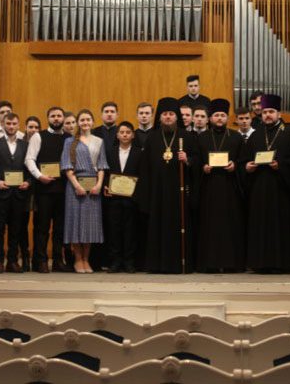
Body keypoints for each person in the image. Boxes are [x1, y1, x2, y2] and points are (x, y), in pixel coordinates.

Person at [133, 98, 198, 273]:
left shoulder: (186, 137)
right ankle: (157, 265)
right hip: (157, 194)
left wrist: (188, 159)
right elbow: (145, 168)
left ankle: (179, 264)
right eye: (165, 114)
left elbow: (197, 160)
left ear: (177, 117)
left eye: (171, 114)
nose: (168, 117)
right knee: (157, 227)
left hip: (179, 194)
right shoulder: (152, 138)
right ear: (160, 117)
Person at [239, 94, 290, 273]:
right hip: (259, 188)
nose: (267, 115)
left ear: (279, 114)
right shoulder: (255, 135)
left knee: (281, 226)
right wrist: (247, 167)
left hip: (282, 188)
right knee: (260, 225)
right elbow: (244, 160)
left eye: (271, 112)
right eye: (265, 112)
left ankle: (283, 264)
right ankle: (260, 263)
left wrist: (281, 165)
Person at [193, 99, 245, 273]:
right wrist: (203, 167)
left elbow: (243, 160)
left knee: (231, 225)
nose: (220, 118)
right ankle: (210, 264)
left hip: (230, 188)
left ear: (227, 118)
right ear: (210, 118)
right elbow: (196, 161)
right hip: (208, 188)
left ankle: (231, 264)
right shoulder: (201, 138)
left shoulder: (236, 137)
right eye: (216, 115)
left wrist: (235, 165)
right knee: (209, 226)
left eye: (223, 115)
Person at [0, 112, 32, 273]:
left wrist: (28, 182)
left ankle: (12, 261)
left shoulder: (25, 145)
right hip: (0, 193)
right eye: (8, 124)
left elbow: (30, 167)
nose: (11, 126)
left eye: (14, 124)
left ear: (18, 125)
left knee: (16, 229)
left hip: (19, 194)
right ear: (3, 125)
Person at [25, 106, 71, 273]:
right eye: (53, 116)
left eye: (59, 116)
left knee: (60, 228)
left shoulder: (69, 138)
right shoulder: (39, 136)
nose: (56, 118)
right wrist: (39, 176)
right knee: (42, 227)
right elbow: (29, 159)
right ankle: (41, 261)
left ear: (63, 118)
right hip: (44, 189)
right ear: (48, 118)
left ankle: (58, 261)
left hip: (64, 190)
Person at [61, 110, 107, 273]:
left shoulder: (99, 141)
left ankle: (86, 259)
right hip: (75, 187)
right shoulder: (69, 142)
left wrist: (99, 184)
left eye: (88, 119)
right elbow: (67, 166)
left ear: (93, 122)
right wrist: (77, 186)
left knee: (90, 224)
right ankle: (78, 259)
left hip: (93, 188)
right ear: (78, 123)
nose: (85, 122)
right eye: (82, 120)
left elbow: (101, 166)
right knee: (75, 223)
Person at [103, 122, 142, 273]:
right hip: (114, 198)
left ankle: (129, 262)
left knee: (130, 231)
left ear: (133, 135)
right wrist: (106, 185)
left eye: (128, 132)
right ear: (117, 135)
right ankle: (115, 261)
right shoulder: (110, 152)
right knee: (114, 231)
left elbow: (142, 174)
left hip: (132, 199)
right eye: (122, 132)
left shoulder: (139, 152)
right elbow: (105, 172)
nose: (125, 135)